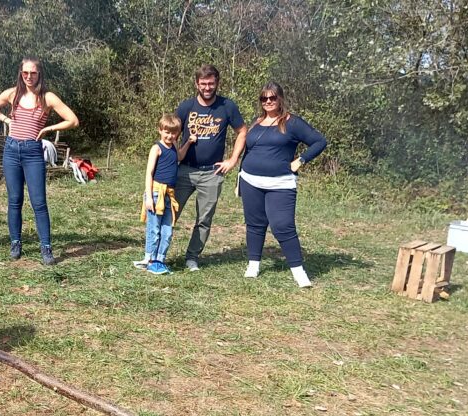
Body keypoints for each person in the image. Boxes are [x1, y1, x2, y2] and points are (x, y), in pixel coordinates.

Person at [0, 57, 79, 265]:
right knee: (14, 200)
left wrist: (48, 129)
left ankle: (46, 248)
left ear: (39, 74)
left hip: (33, 152)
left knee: (39, 202)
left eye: (33, 73)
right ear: (21, 73)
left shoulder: (47, 98)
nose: (29, 77)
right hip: (11, 151)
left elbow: (73, 120)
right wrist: (6, 120)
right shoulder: (13, 94)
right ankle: (15, 243)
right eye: (25, 73)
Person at [237, 82, 326, 288]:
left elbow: (319, 141)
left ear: (280, 99)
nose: (268, 102)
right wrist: (239, 178)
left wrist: (300, 160)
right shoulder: (256, 122)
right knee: (255, 224)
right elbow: (248, 151)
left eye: (272, 98)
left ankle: (298, 272)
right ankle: (253, 265)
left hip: (281, 183)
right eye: (264, 98)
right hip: (250, 180)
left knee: (282, 225)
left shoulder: (292, 122)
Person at [174, 64, 248, 271]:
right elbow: (171, 134)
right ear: (197, 84)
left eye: (211, 83)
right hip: (184, 171)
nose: (207, 87)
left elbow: (242, 131)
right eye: (203, 83)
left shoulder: (227, 106)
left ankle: (192, 257)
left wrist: (232, 160)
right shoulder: (186, 107)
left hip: (212, 173)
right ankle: (158, 254)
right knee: (169, 213)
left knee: (204, 219)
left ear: (217, 83)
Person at [134, 114, 194, 275]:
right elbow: (149, 173)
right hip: (156, 192)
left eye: (174, 133)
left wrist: (188, 142)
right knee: (154, 229)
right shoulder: (157, 148)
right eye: (166, 132)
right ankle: (150, 259)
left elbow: (179, 157)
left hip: (169, 194)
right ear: (160, 130)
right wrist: (148, 197)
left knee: (167, 230)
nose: (170, 136)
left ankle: (160, 259)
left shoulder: (174, 145)